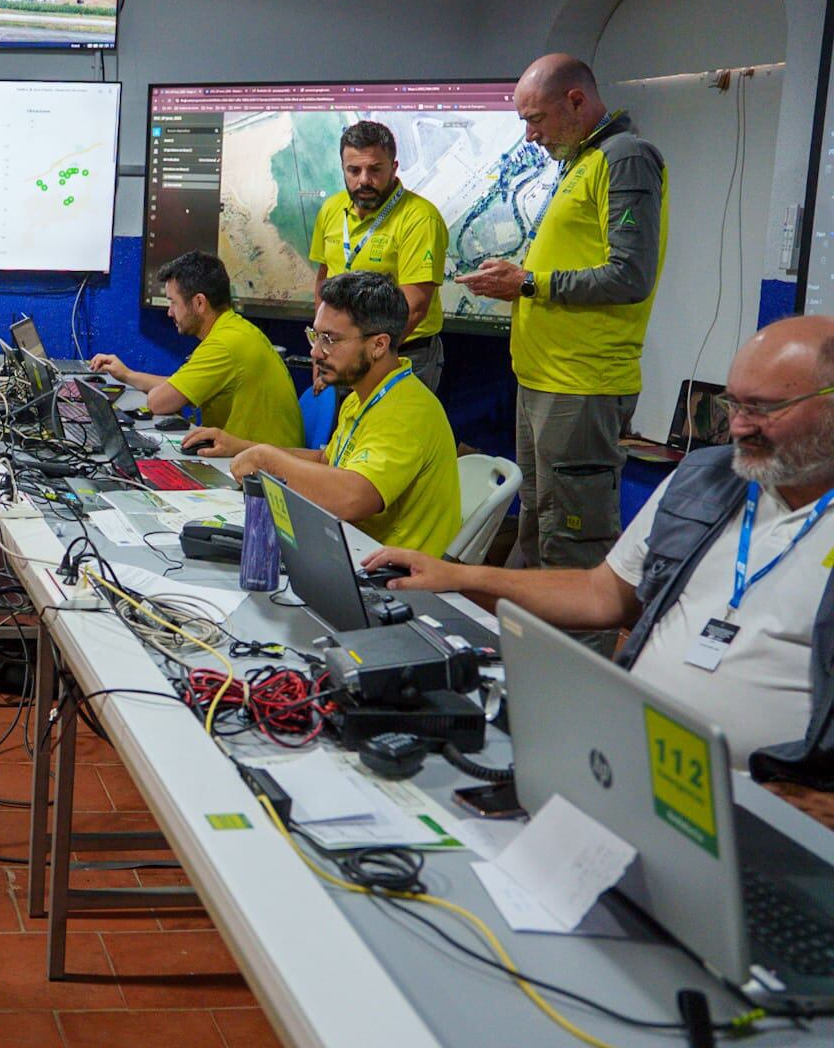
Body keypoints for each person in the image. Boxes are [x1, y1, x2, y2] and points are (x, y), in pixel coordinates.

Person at [365, 317, 834, 775]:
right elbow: (601, 592)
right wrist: (457, 577)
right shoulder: (706, 477)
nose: (738, 427)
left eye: (764, 409)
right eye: (735, 405)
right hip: (626, 757)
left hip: (766, 801)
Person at [457, 54, 669, 569]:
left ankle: (576, 650)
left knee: (572, 545)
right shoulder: (583, 160)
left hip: (582, 386)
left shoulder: (626, 157)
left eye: (536, 118)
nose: (530, 135)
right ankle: (533, 649)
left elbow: (629, 276)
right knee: (541, 531)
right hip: (543, 382)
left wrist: (527, 282)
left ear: (576, 101)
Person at [188, 272, 459, 558]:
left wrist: (267, 459)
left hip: (391, 578)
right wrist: (241, 446)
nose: (316, 352)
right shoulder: (363, 396)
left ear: (379, 345)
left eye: (330, 339)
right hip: (350, 551)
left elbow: (352, 497)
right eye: (316, 336)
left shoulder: (405, 411)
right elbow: (328, 461)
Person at [87, 250, 303, 449]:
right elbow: (180, 388)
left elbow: (159, 401)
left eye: (173, 303)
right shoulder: (236, 329)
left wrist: (153, 390)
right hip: (258, 460)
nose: (170, 312)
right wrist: (127, 375)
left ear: (199, 303)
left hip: (261, 474)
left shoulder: (222, 345)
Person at [308, 120, 449, 392]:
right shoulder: (331, 209)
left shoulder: (420, 218)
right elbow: (323, 282)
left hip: (401, 354)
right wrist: (322, 345)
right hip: (342, 352)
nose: (364, 180)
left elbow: (415, 306)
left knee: (390, 432)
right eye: (354, 170)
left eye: (375, 169)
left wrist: (364, 356)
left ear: (394, 168)